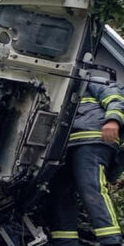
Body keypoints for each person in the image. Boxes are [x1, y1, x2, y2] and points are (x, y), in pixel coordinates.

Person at [47, 79, 124, 245]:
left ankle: (111, 241)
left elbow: (115, 98)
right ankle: (65, 241)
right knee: (61, 192)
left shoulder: (91, 80)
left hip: (91, 139)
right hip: (62, 145)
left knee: (90, 187)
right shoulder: (53, 85)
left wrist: (113, 120)